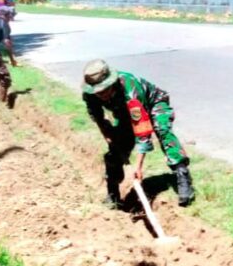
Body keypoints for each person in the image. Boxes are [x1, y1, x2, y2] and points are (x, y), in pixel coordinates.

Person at [81, 60, 195, 208]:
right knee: (114, 151)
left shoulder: (130, 89)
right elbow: (98, 117)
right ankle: (113, 193)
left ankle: (183, 177)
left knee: (162, 130)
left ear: (111, 83)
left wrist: (138, 166)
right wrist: (108, 137)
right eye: (97, 92)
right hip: (124, 112)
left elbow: (142, 131)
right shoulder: (90, 94)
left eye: (104, 90)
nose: (101, 95)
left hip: (154, 103)